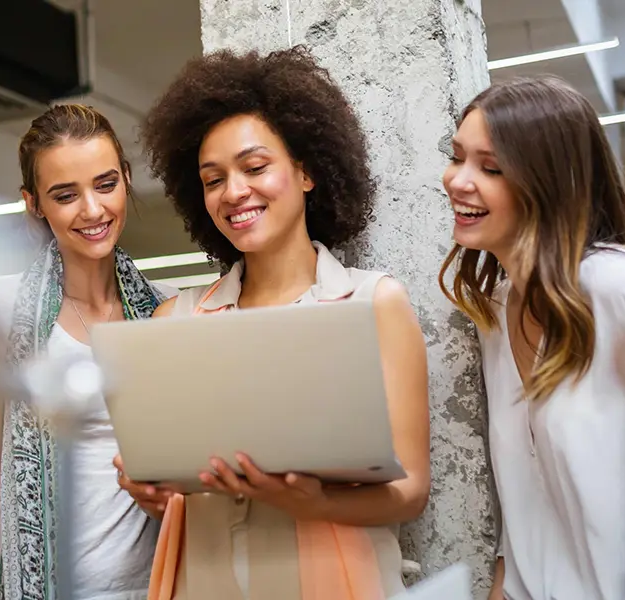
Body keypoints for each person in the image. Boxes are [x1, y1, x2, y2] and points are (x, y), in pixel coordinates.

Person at [115, 46, 431, 600]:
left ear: (307, 171)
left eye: (255, 168)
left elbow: (411, 490)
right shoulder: (177, 320)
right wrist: (151, 490)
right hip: (206, 579)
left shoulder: (373, 302)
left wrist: (318, 502)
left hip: (333, 577)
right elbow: (173, 489)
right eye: (213, 180)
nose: (234, 192)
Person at [439, 76, 625, 600]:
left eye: (491, 168)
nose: (458, 181)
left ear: (548, 183)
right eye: (457, 156)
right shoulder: (499, 311)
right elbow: (531, 494)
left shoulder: (617, 286)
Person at [0, 104, 176, 600]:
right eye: (65, 195)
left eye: (105, 184)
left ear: (126, 179)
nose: (93, 210)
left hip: (153, 590)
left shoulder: (166, 315)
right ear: (34, 204)